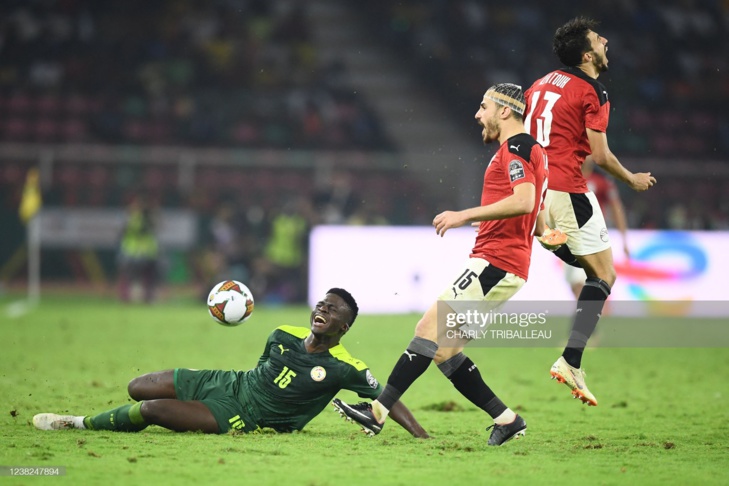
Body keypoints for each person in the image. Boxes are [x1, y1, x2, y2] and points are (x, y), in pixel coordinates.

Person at [333, 83, 548, 446]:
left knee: (428, 327)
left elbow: (525, 201)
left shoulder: (515, 148)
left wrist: (465, 215)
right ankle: (507, 419)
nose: (478, 114)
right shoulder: (534, 150)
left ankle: (377, 413)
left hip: (496, 263)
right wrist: (507, 224)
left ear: (505, 111)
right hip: (506, 264)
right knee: (445, 350)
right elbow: (539, 219)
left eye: (484, 107)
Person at [33, 288, 429, 438]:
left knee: (151, 410)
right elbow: (260, 371)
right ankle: (158, 409)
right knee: (138, 386)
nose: (322, 309)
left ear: (344, 325)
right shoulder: (282, 333)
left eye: (333, 309)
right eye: (321, 304)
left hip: (245, 416)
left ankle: (77, 423)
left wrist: (421, 436)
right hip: (228, 383)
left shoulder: (345, 366)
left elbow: (387, 396)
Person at [524, 17, 656, 406]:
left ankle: (551, 241)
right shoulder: (592, 91)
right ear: (587, 55)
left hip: (539, 188)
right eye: (600, 40)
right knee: (604, 274)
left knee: (589, 272)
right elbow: (600, 155)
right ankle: (571, 360)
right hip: (568, 188)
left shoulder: (539, 84)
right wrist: (631, 178)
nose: (606, 42)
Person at [564, 157, 630, 298]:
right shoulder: (566, 178)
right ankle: (593, 313)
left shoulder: (602, 180)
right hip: (569, 235)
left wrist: (624, 239)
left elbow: (616, 208)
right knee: (574, 283)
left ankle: (587, 316)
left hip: (591, 235)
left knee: (583, 282)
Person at [117, 194, 160, 303]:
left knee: (146, 275)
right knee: (131, 275)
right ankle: (128, 296)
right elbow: (128, 231)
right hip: (133, 250)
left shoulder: (145, 216)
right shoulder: (134, 216)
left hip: (144, 250)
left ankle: (146, 296)